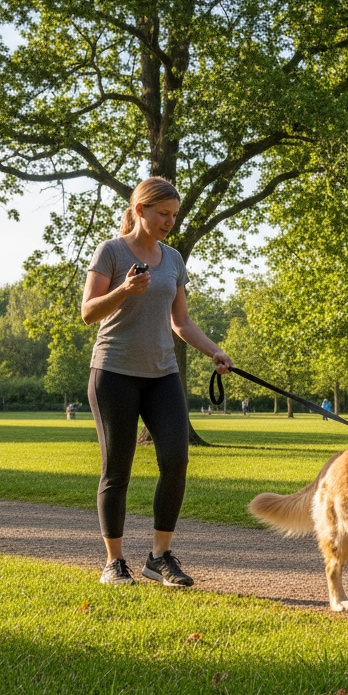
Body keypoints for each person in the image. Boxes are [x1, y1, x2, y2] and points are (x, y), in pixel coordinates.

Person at [82, 176, 233, 587]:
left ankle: (159, 556)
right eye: (162, 214)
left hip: (162, 373)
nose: (169, 221)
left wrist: (214, 351)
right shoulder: (110, 251)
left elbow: (180, 321)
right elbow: (89, 312)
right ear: (140, 210)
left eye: (174, 215)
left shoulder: (173, 258)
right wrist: (125, 290)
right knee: (118, 469)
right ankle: (114, 562)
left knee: (176, 459)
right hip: (114, 372)